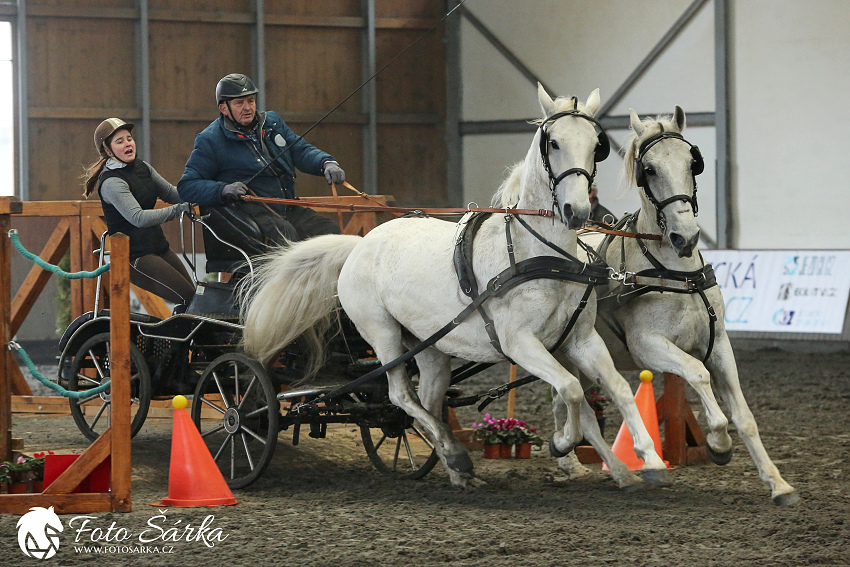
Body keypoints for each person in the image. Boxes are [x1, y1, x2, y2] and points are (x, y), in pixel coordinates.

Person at [177, 73, 346, 262]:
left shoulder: (272, 122)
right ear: (224, 108)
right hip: (250, 212)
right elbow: (187, 185)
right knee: (287, 239)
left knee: (330, 234)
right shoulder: (210, 139)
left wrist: (326, 163)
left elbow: (300, 150)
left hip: (286, 207)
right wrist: (223, 189)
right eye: (239, 103)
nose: (247, 108)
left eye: (251, 100)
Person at [83, 118, 195, 307]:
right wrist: (178, 210)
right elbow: (138, 218)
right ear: (108, 151)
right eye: (120, 141)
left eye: (129, 138)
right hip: (136, 257)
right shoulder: (112, 183)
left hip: (159, 247)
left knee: (194, 297)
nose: (128, 144)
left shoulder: (142, 167)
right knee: (188, 298)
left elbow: (170, 193)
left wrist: (204, 192)